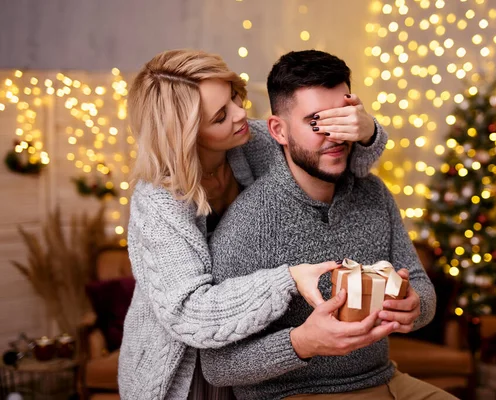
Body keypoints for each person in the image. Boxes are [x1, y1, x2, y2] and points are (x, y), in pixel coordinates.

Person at [118, 49, 395, 400]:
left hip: (254, 358)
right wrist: (287, 279)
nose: (241, 114)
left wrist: (368, 132)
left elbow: (343, 170)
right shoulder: (158, 202)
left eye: (234, 97)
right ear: (186, 134)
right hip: (185, 369)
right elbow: (189, 311)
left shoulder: (257, 140)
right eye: (221, 115)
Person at [201, 50, 456, 400]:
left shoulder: (375, 195)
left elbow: (420, 285)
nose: (335, 135)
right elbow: (218, 368)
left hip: (385, 380)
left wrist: (415, 306)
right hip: (292, 393)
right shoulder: (249, 223)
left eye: (343, 118)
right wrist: (302, 344)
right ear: (279, 130)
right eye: (317, 122)